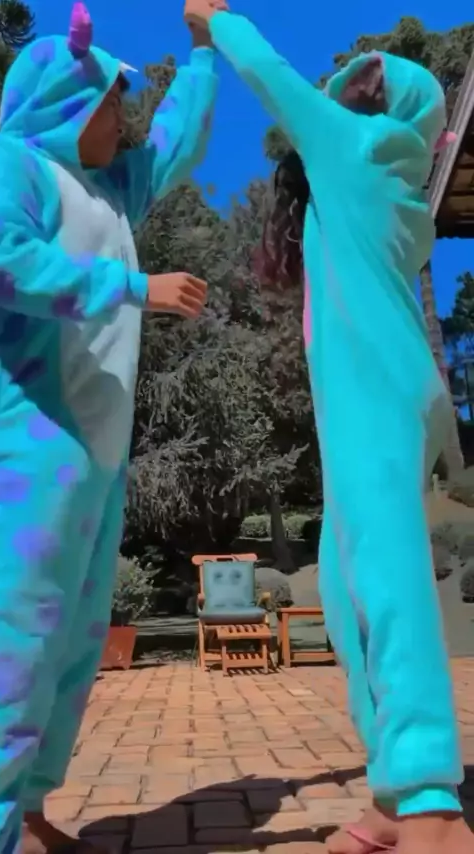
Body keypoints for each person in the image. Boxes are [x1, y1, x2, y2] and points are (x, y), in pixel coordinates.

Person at [182, 2, 473, 854]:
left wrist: (215, 24)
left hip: (375, 398)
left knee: (385, 585)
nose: (345, 98)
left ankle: (432, 805)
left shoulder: (355, 153)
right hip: (384, 397)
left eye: (360, 90)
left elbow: (273, 77)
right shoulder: (382, 178)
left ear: (384, 111)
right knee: (348, 599)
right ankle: (391, 795)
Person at [0, 1, 223, 852]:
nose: (123, 118)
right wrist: (134, 289)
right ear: (67, 100)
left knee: (70, 647)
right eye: (111, 101)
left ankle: (27, 810)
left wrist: (201, 50)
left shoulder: (114, 191)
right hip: (30, 453)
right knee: (15, 642)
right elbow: (5, 262)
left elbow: (175, 142)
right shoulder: (13, 166)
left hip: (97, 462)